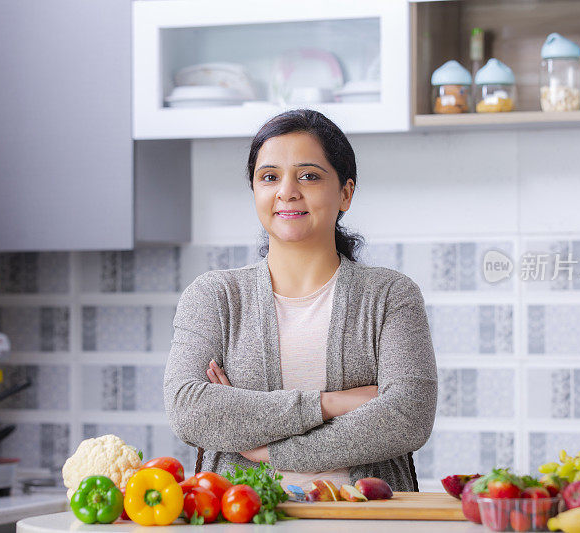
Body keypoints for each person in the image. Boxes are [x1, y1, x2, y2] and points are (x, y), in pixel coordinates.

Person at [163, 109, 437, 492]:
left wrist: (271, 450)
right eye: (269, 177)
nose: (286, 191)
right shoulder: (214, 296)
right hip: (238, 519)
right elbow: (189, 410)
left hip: (370, 522)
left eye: (308, 176)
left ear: (345, 193)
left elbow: (408, 416)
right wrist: (330, 403)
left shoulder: (391, 295)